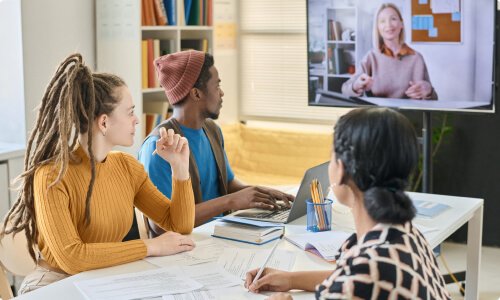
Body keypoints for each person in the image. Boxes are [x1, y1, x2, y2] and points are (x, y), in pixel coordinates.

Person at [0, 54, 197, 294]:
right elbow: (72, 257)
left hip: (104, 280)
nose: (137, 120)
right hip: (53, 284)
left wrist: (179, 167)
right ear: (103, 123)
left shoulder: (127, 167)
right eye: (130, 112)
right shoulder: (51, 176)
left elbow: (179, 225)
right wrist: (150, 246)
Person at [245, 107, 451, 300]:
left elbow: (355, 281)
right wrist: (290, 279)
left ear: (341, 169)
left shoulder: (364, 274)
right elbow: (348, 276)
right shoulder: (406, 234)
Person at [138, 50, 294, 234]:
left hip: (219, 235)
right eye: (216, 86)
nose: (221, 93)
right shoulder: (160, 147)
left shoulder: (212, 130)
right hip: (186, 248)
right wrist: (232, 201)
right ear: (196, 94)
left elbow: (227, 184)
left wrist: (261, 193)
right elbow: (161, 226)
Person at [342, 3, 438, 100]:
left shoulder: (417, 58)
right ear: (378, 28)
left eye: (393, 19)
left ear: (401, 24)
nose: (388, 24)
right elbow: (345, 89)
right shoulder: (371, 57)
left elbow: (434, 99)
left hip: (408, 114)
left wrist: (429, 92)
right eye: (382, 21)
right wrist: (356, 85)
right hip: (378, 114)